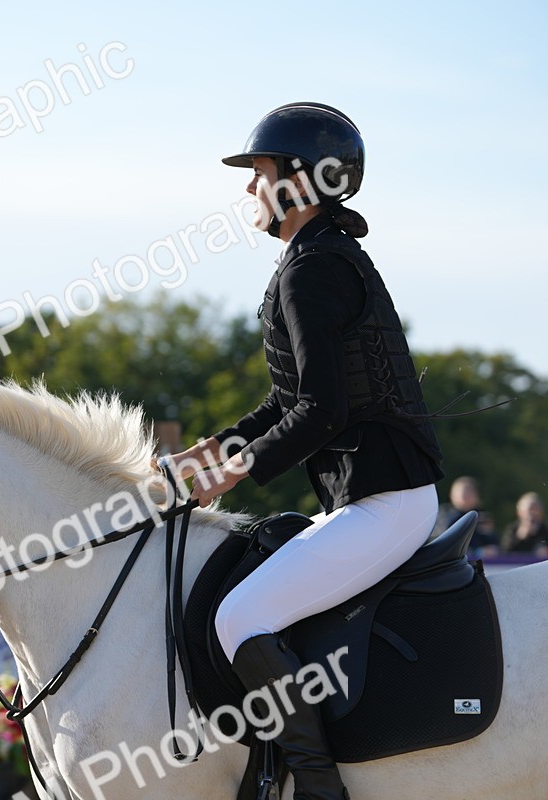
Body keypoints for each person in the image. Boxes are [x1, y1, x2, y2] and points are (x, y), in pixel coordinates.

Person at [165, 103, 444, 800]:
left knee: (238, 618)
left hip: (386, 501)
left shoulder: (312, 269)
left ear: (295, 181)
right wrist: (213, 451)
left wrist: (234, 471)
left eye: (256, 174)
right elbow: (288, 402)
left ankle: (318, 788)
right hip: (375, 495)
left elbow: (324, 411)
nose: (248, 191)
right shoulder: (316, 256)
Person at [433, 476, 499, 558]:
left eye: (469, 492)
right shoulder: (443, 515)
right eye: (462, 492)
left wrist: (488, 534)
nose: (465, 496)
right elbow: (442, 544)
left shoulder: (482, 517)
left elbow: (494, 547)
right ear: (452, 495)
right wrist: (476, 552)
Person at [500, 492, 548, 557]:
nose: (532, 514)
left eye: (536, 509)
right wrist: (521, 536)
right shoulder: (512, 530)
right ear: (519, 512)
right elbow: (504, 553)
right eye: (530, 510)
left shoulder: (545, 530)